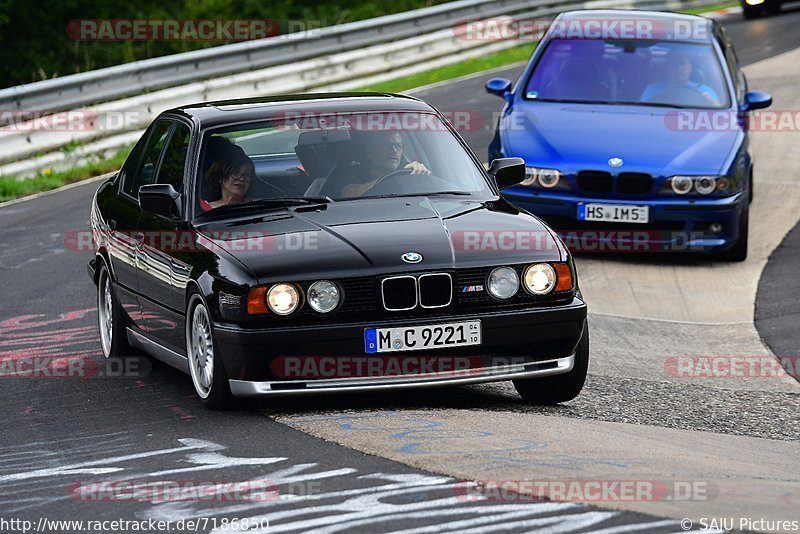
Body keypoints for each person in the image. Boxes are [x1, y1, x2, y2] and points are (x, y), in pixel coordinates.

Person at [340, 131, 431, 197]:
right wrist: (391, 180)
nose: (394, 151)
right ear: (370, 153)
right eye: (386, 145)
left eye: (398, 146)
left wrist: (420, 173)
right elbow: (348, 194)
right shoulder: (355, 172)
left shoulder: (408, 172)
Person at [640, 51, 720, 107]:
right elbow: (644, 114)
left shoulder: (705, 90)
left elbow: (720, 116)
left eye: (682, 63)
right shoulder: (652, 90)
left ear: (690, 68)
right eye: (673, 64)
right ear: (666, 69)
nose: (679, 68)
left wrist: (710, 101)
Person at [200, 138, 255, 211]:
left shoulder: (257, 205)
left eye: (247, 174)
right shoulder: (203, 209)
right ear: (219, 177)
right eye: (236, 173)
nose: (242, 178)